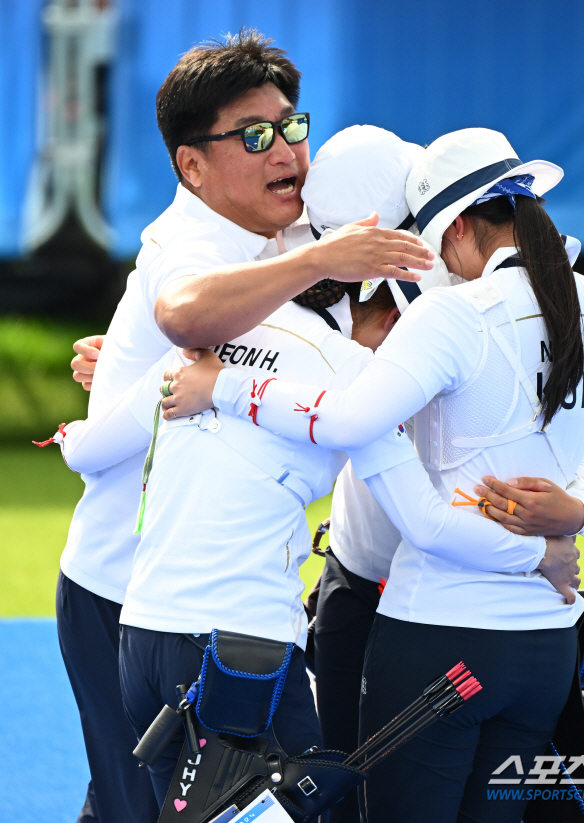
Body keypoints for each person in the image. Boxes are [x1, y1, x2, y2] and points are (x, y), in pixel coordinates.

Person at [40, 30, 434, 823]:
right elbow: (185, 310)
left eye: (292, 125)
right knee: (150, 808)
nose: (286, 148)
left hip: (199, 595)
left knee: (184, 803)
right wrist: (319, 264)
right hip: (121, 589)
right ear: (192, 165)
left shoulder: (284, 226)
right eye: (255, 136)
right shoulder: (189, 243)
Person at [168, 127, 584, 823]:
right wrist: (570, 521)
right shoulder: (580, 297)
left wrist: (220, 383)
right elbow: (555, 442)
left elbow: (366, 440)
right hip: (526, 626)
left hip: (430, 615)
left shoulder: (450, 307)